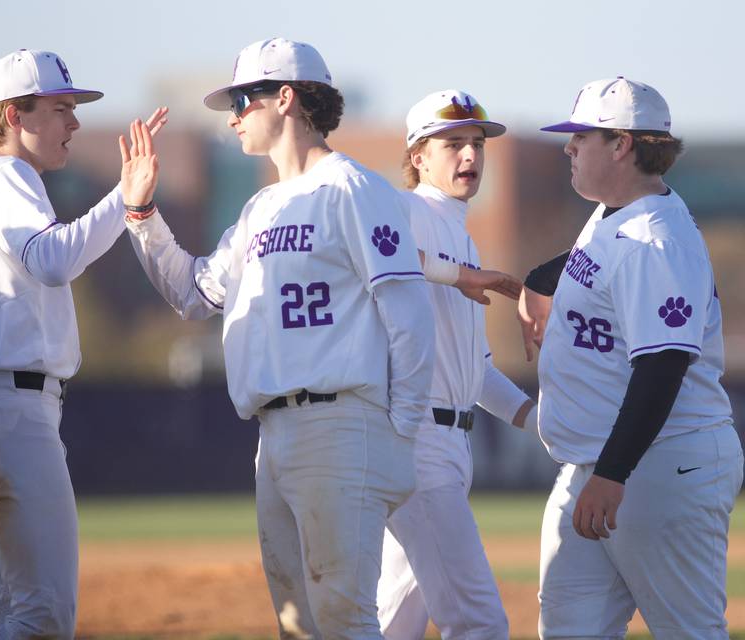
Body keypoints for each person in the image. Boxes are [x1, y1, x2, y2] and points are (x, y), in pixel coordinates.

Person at [124, 37, 437, 638]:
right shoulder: (259, 207)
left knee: (345, 615)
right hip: (276, 432)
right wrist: (142, 216)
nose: (234, 115)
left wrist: (400, 428)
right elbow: (194, 295)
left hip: (342, 424)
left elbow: (409, 315)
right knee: (297, 620)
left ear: (286, 98)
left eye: (243, 99)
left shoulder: (354, 188)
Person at [0, 49, 165, 638]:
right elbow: (52, 259)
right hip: (10, 414)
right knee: (43, 618)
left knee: (8, 616)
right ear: (15, 115)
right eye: (61, 108)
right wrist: (125, 197)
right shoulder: (2, 173)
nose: (74, 122)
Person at [524, 77, 743, 639]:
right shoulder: (613, 213)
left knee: (686, 631)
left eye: (582, 137)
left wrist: (612, 474)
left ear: (621, 145)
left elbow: (663, 366)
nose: (569, 147)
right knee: (569, 628)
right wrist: (533, 282)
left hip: (659, 463)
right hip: (600, 464)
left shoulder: (656, 241)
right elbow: (587, 265)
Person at [375, 90, 537, 640]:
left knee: (393, 622)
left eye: (476, 143)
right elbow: (367, 249)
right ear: (418, 156)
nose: (470, 156)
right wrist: (460, 274)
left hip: (448, 444)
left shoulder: (461, 232)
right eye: (452, 144)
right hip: (416, 440)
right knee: (479, 621)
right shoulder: (406, 209)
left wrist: (537, 422)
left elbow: (478, 371)